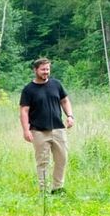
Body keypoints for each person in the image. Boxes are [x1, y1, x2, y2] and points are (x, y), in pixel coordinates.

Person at [19, 58, 75, 194]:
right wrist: (26, 130)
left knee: (62, 159)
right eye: (43, 69)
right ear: (35, 70)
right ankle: (43, 191)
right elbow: (24, 111)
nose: (46, 72)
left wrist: (70, 116)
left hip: (58, 129)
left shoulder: (56, 84)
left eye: (48, 69)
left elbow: (65, 100)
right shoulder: (28, 90)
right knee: (43, 162)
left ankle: (57, 188)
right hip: (38, 131)